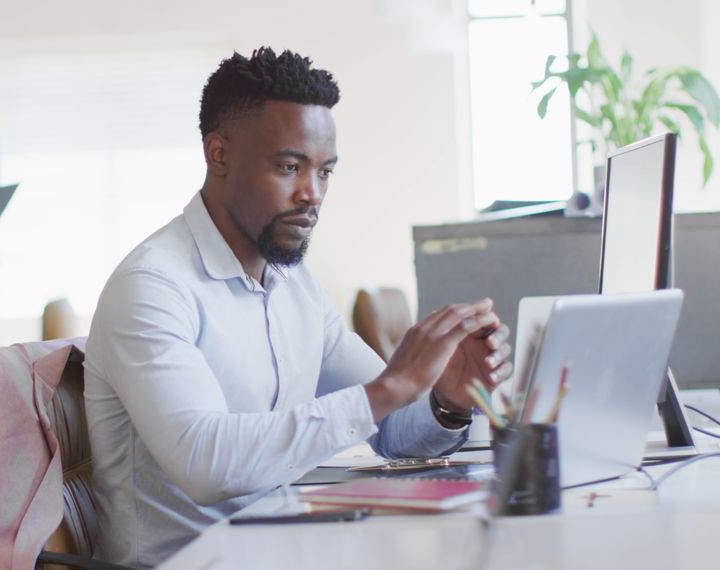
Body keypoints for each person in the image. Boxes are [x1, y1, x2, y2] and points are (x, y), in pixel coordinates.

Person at [84, 47, 514, 568]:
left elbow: (393, 431)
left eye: (325, 172)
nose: (312, 194)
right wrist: (387, 389)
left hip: (285, 545)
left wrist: (447, 400)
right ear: (218, 154)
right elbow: (204, 465)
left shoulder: (293, 283)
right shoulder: (152, 286)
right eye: (290, 167)